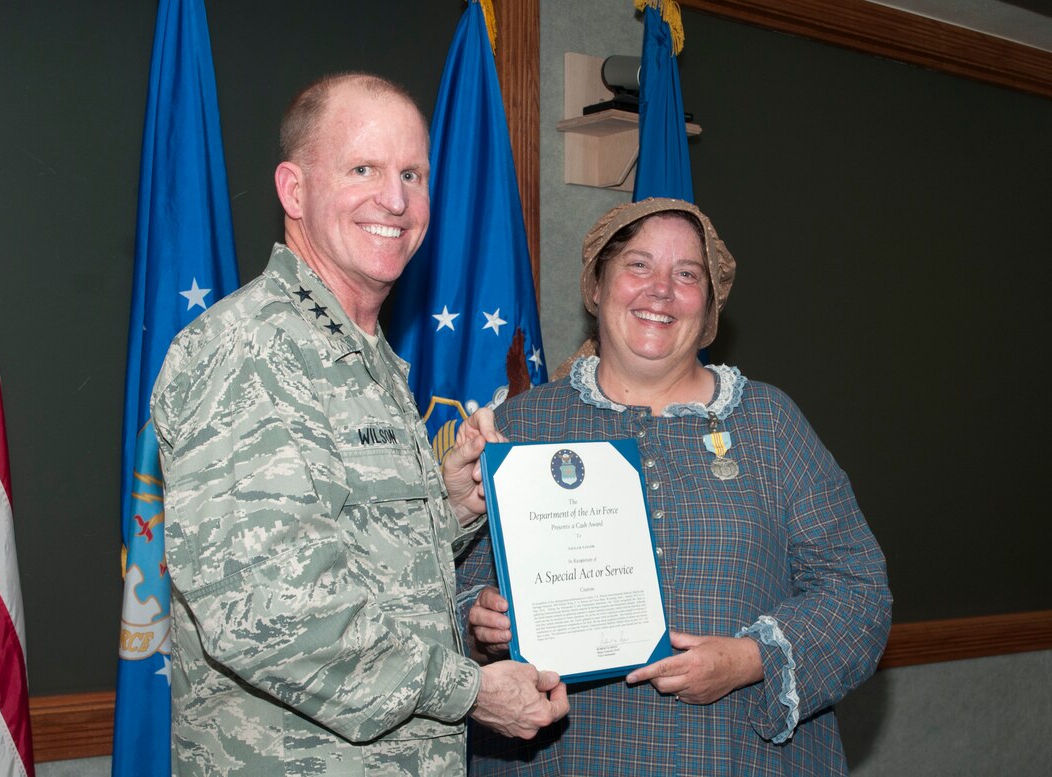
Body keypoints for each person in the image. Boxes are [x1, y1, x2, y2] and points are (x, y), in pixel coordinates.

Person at [151, 72, 568, 776]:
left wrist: (449, 507)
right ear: (294, 190)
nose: (396, 199)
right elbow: (279, 616)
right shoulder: (248, 351)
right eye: (363, 169)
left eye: (412, 172)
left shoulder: (363, 357)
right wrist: (471, 692)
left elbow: (352, 553)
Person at [458, 197, 892, 776]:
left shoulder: (769, 423)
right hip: (564, 758)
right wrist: (481, 626)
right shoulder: (518, 428)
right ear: (596, 287)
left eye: (687, 275)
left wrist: (749, 658)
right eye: (638, 265)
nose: (660, 290)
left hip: (734, 758)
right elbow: (444, 596)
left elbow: (858, 591)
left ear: (710, 306)